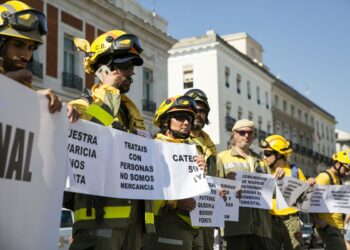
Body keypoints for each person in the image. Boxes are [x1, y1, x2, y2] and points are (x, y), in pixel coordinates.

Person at [66, 29, 155, 250]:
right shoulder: (81, 106)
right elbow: (87, 140)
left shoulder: (131, 115)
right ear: (105, 68)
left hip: (133, 226)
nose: (132, 72)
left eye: (132, 66)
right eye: (126, 66)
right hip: (98, 223)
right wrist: (108, 90)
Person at [142, 95, 207, 250]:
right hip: (166, 224)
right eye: (180, 117)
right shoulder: (153, 146)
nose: (186, 123)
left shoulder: (194, 149)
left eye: (189, 119)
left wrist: (206, 178)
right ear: (166, 121)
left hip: (195, 228)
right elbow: (145, 189)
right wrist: (175, 203)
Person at [0, 0, 77, 121]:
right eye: (18, 45)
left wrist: (58, 110)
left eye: (31, 48)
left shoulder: (23, 83)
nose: (26, 56)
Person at [217, 119, 284, 250]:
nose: (246, 136)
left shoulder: (261, 161)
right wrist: (226, 185)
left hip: (261, 229)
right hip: (235, 228)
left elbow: (273, 194)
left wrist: (279, 181)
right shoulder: (222, 157)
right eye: (242, 132)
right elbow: (214, 190)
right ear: (234, 134)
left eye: (250, 133)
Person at [260, 134, 315, 250]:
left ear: (278, 154)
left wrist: (310, 186)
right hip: (270, 221)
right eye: (264, 153)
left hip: (292, 221)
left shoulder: (295, 172)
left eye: (268, 154)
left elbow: (306, 200)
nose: (264, 157)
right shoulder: (262, 170)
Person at [185, 88, 217, 250]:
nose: (198, 114)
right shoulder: (176, 140)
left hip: (206, 218)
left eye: (202, 110)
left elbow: (213, 181)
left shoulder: (211, 147)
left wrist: (222, 189)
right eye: (194, 109)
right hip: (183, 217)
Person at [312, 150, 350, 250]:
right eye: (346, 169)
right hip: (328, 226)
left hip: (338, 226)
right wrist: (319, 221)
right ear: (337, 164)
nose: (347, 173)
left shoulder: (338, 179)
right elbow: (312, 200)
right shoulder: (324, 177)